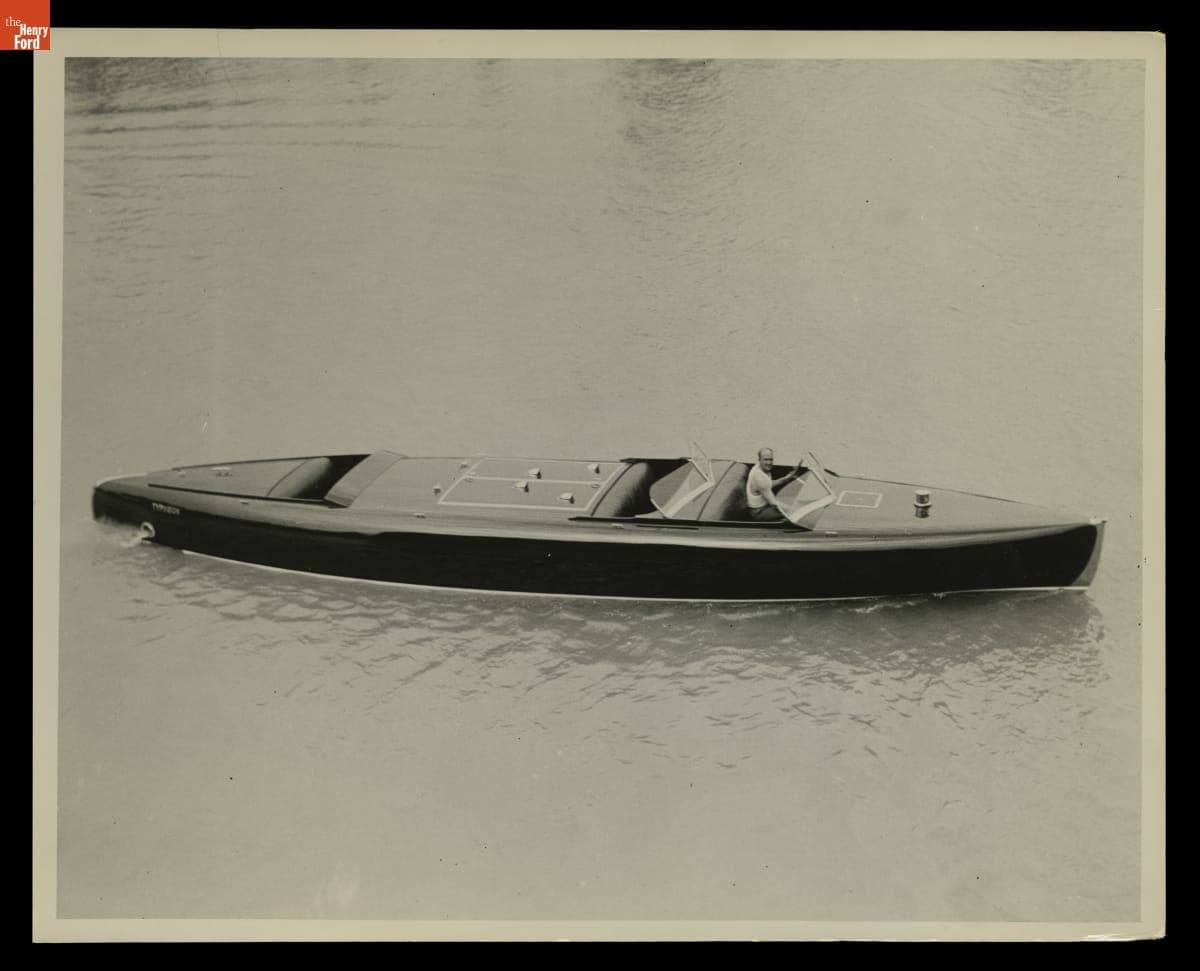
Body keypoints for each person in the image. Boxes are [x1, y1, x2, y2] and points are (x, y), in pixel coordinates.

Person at [745, 448, 806, 522]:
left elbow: (769, 484)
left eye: (771, 459)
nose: (769, 463)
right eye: (766, 460)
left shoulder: (759, 468)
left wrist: (787, 478)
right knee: (794, 512)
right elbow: (774, 504)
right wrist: (794, 508)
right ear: (759, 460)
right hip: (759, 512)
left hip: (765, 506)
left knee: (793, 503)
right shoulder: (759, 477)